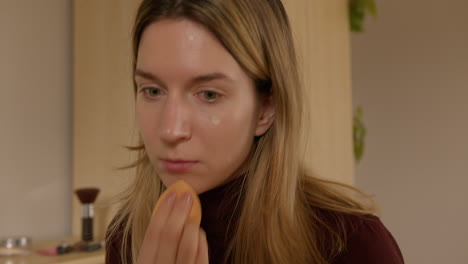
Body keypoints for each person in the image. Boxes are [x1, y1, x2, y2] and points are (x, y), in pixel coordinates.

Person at [105, 0, 404, 263]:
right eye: (153, 91)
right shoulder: (127, 237)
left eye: (208, 95)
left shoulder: (353, 246)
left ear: (265, 109)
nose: (170, 130)